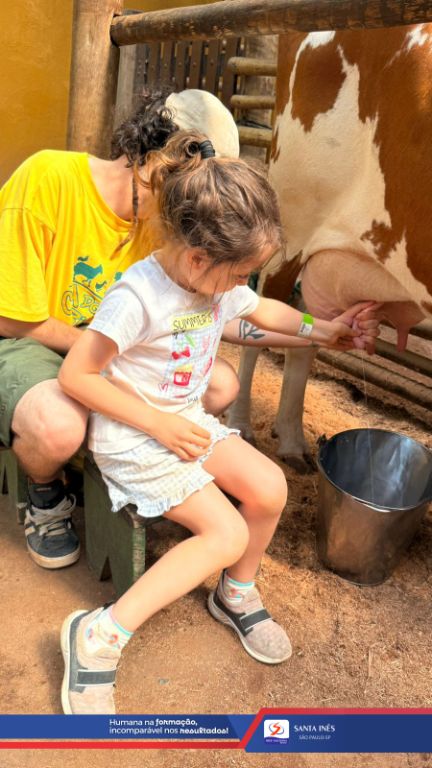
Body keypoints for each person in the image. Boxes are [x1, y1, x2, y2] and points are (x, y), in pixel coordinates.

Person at [57, 131, 380, 714]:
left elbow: (262, 313)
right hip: (135, 435)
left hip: (182, 422)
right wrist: (156, 424)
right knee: (225, 533)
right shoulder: (138, 297)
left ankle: (235, 592)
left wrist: (323, 331)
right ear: (197, 258)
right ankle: (97, 636)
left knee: (270, 487)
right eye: (238, 275)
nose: (241, 286)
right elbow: (76, 376)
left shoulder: (213, 281)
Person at [0, 88, 272, 570]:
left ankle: (118, 463)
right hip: (28, 339)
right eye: (190, 185)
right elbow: (13, 317)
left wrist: (315, 331)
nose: (195, 207)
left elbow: (210, 315)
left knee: (220, 384)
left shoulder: (167, 223)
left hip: (107, 347)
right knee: (58, 424)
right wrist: (104, 355)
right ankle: (45, 488)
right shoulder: (47, 178)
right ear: (154, 158)